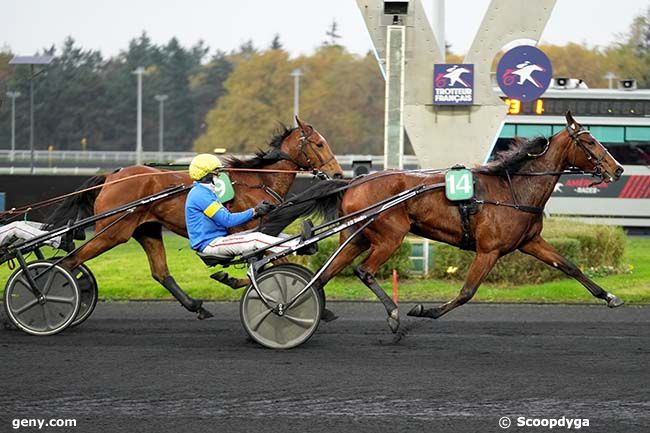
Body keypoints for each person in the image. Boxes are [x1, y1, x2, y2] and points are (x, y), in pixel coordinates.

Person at [185, 153, 308, 257]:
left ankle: (298, 240)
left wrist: (257, 212)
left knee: (263, 232)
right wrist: (254, 211)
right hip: (210, 244)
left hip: (219, 239)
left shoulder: (205, 192)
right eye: (216, 173)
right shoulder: (200, 195)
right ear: (207, 175)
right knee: (255, 239)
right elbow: (227, 220)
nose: (219, 176)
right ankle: (297, 247)